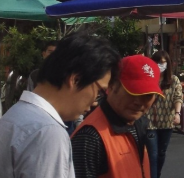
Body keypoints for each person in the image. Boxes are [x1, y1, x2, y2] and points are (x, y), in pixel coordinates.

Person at [0, 34, 118, 178]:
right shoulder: (48, 132)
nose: (95, 100)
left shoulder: (14, 115)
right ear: (75, 79)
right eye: (99, 90)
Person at [72, 55, 163, 178]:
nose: (139, 101)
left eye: (147, 95)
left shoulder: (138, 124)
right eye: (133, 91)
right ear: (112, 85)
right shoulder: (89, 137)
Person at [145, 51, 183, 178]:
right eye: (156, 62)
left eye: (162, 62)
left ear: (168, 64)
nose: (159, 65)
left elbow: (178, 97)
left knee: (161, 153)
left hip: (167, 121)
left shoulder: (173, 80)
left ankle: (157, 174)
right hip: (150, 122)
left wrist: (177, 114)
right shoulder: (148, 79)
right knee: (153, 154)